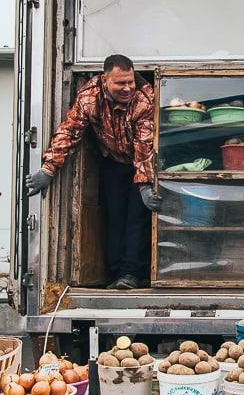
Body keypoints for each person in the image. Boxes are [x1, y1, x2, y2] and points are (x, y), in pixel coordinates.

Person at [25, 54, 161, 290]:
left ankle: (130, 274)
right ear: (105, 79)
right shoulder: (89, 99)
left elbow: (144, 143)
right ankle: (115, 272)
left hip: (140, 163)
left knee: (137, 218)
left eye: (130, 81)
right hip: (112, 162)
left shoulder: (144, 98)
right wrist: (48, 169)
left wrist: (145, 183)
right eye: (120, 83)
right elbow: (70, 132)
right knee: (115, 216)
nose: (127, 88)